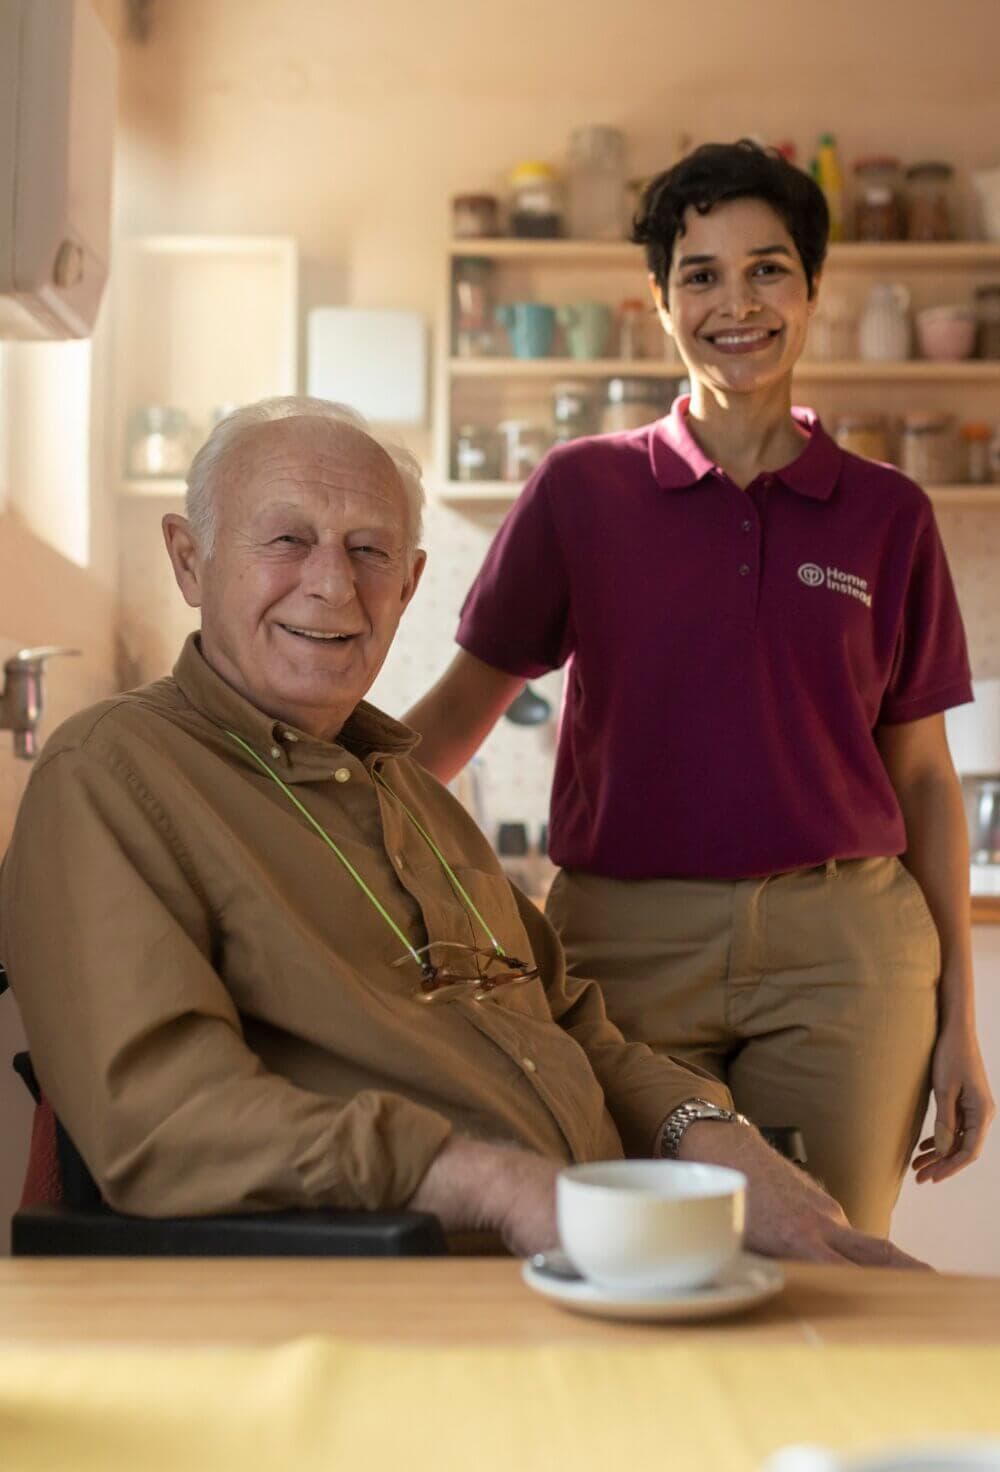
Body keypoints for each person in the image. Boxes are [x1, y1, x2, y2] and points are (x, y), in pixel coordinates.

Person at [0, 395, 923, 1267]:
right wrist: (494, 1185)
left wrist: (716, 1138)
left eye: (370, 551)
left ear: (409, 586)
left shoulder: (418, 797)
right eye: (287, 540)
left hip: (598, 1260)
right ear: (189, 558)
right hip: (413, 1290)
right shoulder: (111, 774)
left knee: (898, 1339)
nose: (333, 584)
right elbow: (163, 1120)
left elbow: (572, 1027)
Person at [404, 141, 995, 1237]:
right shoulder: (580, 491)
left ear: (814, 291)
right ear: (658, 301)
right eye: (701, 273)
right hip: (620, 953)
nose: (737, 302)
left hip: (845, 956)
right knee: (632, 1254)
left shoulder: (887, 513)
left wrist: (962, 1017)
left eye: (768, 269)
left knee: (826, 1263)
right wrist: (290, 815)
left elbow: (921, 778)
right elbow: (453, 716)